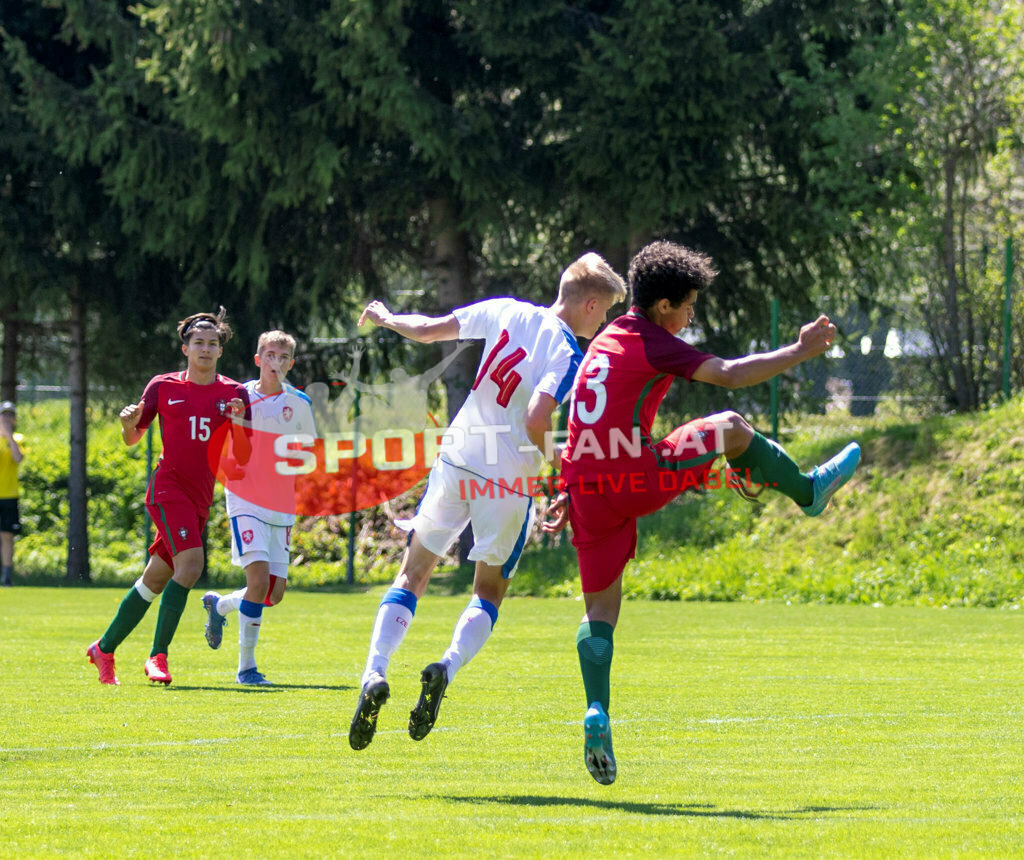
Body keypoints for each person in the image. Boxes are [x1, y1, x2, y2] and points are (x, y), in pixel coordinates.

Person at [555, 240, 861, 785]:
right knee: (733, 426)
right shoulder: (651, 338)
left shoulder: (607, 340)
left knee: (599, 607)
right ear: (665, 304)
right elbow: (730, 373)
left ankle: (596, 710)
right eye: (690, 304)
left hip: (584, 482)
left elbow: (583, 424)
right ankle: (807, 491)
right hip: (630, 477)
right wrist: (799, 351)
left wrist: (568, 488)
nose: (692, 315)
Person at [348, 253, 628, 751]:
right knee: (489, 591)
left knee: (413, 574)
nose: (602, 322)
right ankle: (445, 666)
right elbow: (539, 417)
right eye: (603, 312)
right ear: (588, 304)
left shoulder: (507, 309)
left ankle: (375, 671)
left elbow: (432, 329)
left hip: (458, 456)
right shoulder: (568, 353)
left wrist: (388, 318)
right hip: (506, 479)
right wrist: (557, 466)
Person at [86, 308, 251, 686]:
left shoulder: (235, 393)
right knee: (190, 567)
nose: (206, 349)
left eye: (213, 343)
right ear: (185, 348)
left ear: (220, 351)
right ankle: (157, 656)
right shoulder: (163, 386)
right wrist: (128, 426)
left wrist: (240, 423)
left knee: (155, 581)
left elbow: (243, 456)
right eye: (199, 343)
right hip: (167, 489)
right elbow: (133, 438)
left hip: (199, 499)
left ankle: (104, 648)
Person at [201, 330, 316, 685]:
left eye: (283, 357)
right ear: (257, 359)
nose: (275, 363)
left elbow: (309, 454)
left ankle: (220, 606)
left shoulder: (299, 403)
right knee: (258, 580)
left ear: (291, 364)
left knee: (273, 594)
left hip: (281, 503)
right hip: (246, 498)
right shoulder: (239, 397)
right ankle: (246, 669)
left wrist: (293, 459)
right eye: (269, 355)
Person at [0, 400, 24, 587]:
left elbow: (17, 457)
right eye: (4, 415)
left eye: (10, 415)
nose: (7, 418)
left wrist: (8, 436)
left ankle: (6, 576)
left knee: (7, 536)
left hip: (9, 495)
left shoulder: (18, 438)